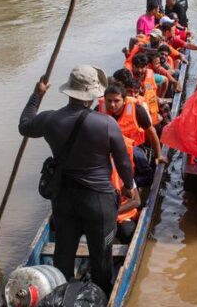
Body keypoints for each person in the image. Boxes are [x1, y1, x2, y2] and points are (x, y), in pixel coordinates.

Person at [18, 65, 137, 294]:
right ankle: (99, 300)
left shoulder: (50, 120)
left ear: (70, 91)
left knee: (64, 255)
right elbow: (123, 163)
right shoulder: (106, 124)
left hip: (64, 200)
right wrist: (130, 187)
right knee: (101, 258)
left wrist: (37, 94)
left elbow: (24, 126)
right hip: (99, 204)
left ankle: (62, 298)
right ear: (92, 94)